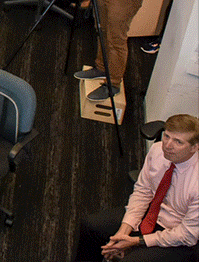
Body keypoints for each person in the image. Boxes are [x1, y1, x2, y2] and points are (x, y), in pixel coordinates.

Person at [75, 112, 199, 262]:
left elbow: (188, 234)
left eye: (178, 142)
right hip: (151, 212)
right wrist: (123, 231)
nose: (167, 145)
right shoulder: (157, 151)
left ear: (194, 148)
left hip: (179, 234)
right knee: (90, 226)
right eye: (167, 136)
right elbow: (143, 191)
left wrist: (135, 241)